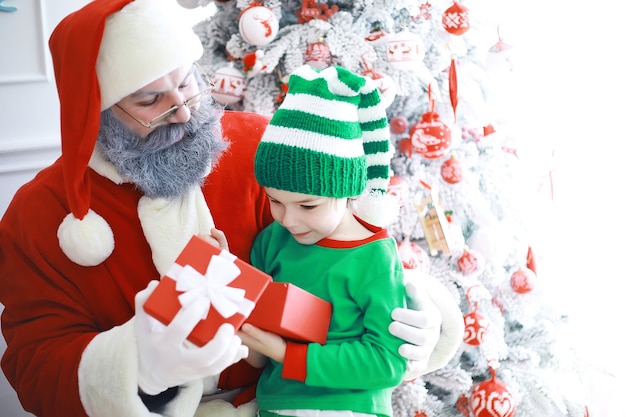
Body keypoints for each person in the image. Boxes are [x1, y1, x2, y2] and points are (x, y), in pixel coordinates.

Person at [0, 1, 456, 416]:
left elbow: (346, 247)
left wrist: (416, 306)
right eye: (149, 100)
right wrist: (137, 366)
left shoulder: (259, 146)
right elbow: (33, 365)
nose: (181, 111)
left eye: (186, 84)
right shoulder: (38, 214)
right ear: (93, 111)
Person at [239, 64, 408, 417]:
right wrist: (227, 276)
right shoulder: (272, 241)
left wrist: (287, 355)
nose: (288, 219)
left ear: (348, 193)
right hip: (275, 406)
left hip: (350, 408)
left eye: (308, 205)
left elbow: (387, 363)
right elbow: (254, 352)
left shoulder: (373, 256)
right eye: (275, 200)